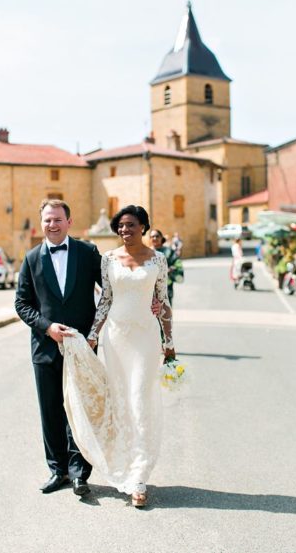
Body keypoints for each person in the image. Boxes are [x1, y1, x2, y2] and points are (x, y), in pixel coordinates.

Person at [60, 205, 174, 508]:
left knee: (139, 400)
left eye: (131, 225)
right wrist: (93, 335)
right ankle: (124, 465)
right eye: (120, 226)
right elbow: (106, 299)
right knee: (120, 402)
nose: (125, 230)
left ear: (144, 227)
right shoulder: (109, 259)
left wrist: (170, 343)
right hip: (116, 339)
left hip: (146, 340)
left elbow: (162, 303)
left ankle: (139, 477)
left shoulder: (159, 260)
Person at [14, 199, 103, 497]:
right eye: (47, 220)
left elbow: (110, 291)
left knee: (79, 410)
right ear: (42, 223)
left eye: (57, 219)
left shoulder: (88, 253)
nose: (52, 225)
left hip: (82, 347)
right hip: (45, 348)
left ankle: (80, 473)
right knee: (50, 411)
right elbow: (22, 304)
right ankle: (58, 470)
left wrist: (94, 334)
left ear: (69, 221)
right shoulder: (31, 258)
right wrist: (46, 327)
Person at [149, 229, 183, 304]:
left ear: (161, 238)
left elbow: (177, 265)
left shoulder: (169, 251)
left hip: (166, 287)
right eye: (152, 236)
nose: (154, 238)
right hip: (150, 289)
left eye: (157, 236)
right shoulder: (147, 253)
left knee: (166, 311)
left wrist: (168, 270)